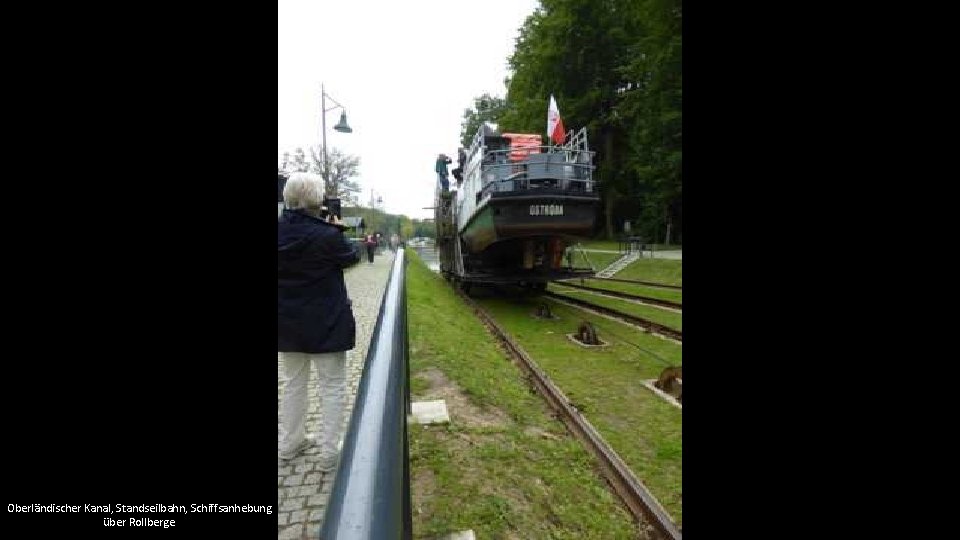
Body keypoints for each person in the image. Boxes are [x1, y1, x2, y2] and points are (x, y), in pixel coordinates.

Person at [278, 173, 360, 469]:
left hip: (286, 322)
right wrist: (339, 231)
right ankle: (329, 453)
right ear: (317, 200)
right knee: (332, 386)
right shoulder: (327, 235)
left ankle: (289, 444)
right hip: (327, 321)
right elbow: (352, 257)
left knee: (293, 384)